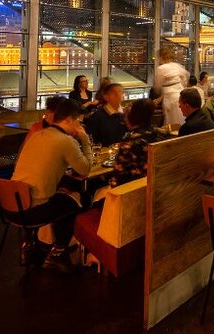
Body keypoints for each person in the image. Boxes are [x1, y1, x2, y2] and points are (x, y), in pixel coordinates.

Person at [11, 98, 92, 272]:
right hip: (31, 211)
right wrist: (84, 140)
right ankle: (58, 254)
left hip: (11, 205)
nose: (79, 126)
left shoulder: (37, 135)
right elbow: (85, 169)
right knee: (74, 203)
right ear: (69, 120)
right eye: (78, 121)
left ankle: (30, 243)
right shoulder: (66, 141)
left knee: (60, 194)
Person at [105, 98, 162, 188]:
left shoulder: (131, 141)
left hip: (130, 190)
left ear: (134, 115)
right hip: (152, 185)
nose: (125, 118)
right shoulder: (157, 134)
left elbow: (118, 174)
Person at [154, 46, 190, 126]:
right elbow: (185, 78)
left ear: (161, 57)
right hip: (180, 94)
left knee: (171, 119)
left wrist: (160, 95)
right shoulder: (177, 66)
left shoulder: (161, 68)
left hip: (169, 96)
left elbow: (157, 86)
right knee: (181, 116)